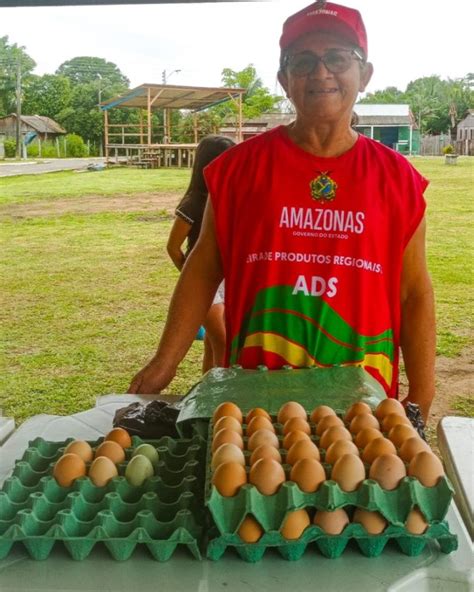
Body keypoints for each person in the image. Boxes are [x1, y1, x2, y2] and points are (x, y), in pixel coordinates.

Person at [128, 1, 436, 422]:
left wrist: (422, 391)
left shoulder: (398, 180)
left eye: (338, 58)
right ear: (283, 80)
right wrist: (165, 364)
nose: (321, 72)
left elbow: (414, 293)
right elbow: (203, 266)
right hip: (257, 395)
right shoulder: (239, 171)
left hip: (363, 407)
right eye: (303, 61)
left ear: (364, 75)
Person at [166, 135, 235, 372]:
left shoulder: (228, 198)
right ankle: (219, 396)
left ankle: (207, 392)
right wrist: (194, 280)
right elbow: (173, 247)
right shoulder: (195, 202)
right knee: (224, 343)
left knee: (212, 345)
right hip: (208, 286)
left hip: (229, 282)